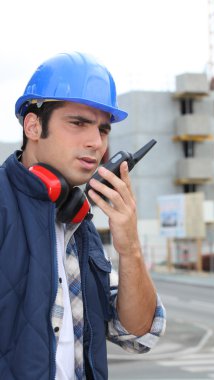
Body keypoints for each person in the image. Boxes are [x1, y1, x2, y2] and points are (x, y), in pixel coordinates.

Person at [0, 52, 166, 380]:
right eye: (78, 123)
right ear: (33, 125)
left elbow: (138, 336)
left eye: (103, 130)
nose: (96, 143)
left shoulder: (80, 225)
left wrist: (129, 246)